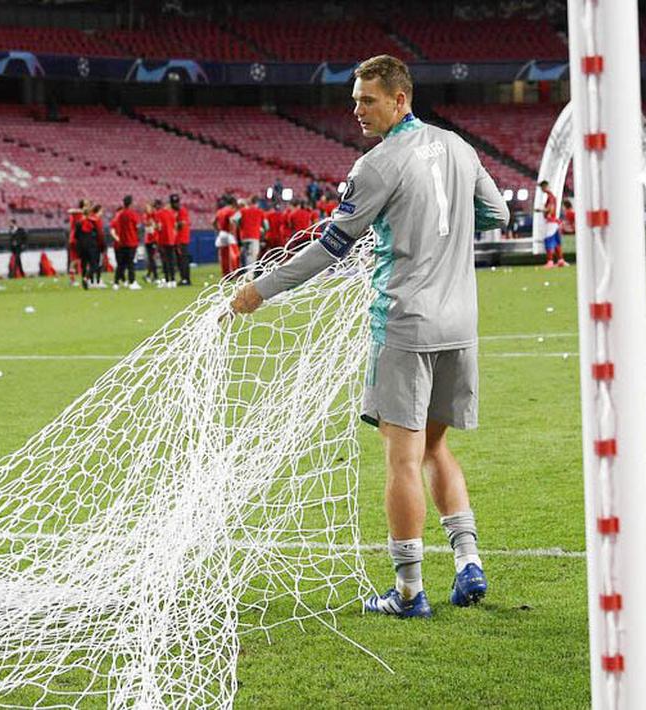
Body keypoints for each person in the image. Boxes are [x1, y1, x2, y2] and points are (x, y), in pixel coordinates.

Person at [229, 55, 508, 619]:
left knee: (402, 460)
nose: (356, 110)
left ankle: (408, 592)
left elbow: (330, 249)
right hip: (460, 325)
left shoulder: (377, 165)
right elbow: (497, 214)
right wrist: (444, 231)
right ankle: (468, 561)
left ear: (400, 100)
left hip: (405, 325)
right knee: (434, 447)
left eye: (367, 100)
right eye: (355, 99)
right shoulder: (459, 146)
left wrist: (261, 289)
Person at [110, 195, 142, 290]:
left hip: (122, 242)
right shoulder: (132, 214)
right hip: (131, 241)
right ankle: (132, 282)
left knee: (121, 264)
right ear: (131, 203)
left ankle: (116, 283)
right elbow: (137, 226)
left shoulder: (120, 214)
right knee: (131, 263)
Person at [231, 196, 266, 272]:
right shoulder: (260, 211)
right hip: (254, 237)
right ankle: (249, 276)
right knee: (252, 258)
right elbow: (266, 226)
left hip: (244, 237)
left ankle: (243, 273)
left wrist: (240, 226)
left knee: (245, 256)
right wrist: (261, 230)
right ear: (257, 203)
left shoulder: (242, 211)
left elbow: (233, 219)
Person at [537, 180, 566, 268]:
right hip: (554, 221)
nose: (541, 189)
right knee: (556, 241)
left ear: (545, 186)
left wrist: (541, 210)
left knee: (548, 240)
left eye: (542, 187)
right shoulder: (551, 196)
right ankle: (561, 260)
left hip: (551, 222)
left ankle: (550, 261)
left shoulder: (550, 197)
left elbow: (550, 209)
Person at [76, 204, 104, 289]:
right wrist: (101, 245)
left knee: (84, 264)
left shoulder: (79, 222)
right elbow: (99, 233)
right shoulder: (93, 221)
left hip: (81, 245)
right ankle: (87, 278)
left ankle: (85, 280)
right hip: (91, 244)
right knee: (94, 264)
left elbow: (76, 235)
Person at [153, 198, 177, 287]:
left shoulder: (158, 214)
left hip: (162, 240)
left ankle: (167, 280)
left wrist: (155, 228)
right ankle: (173, 280)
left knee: (165, 261)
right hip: (171, 240)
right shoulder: (171, 213)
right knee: (171, 260)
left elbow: (159, 226)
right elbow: (174, 227)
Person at [213, 196, 238, 278]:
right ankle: (235, 272)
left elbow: (213, 222)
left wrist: (218, 230)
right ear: (233, 203)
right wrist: (232, 231)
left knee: (224, 256)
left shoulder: (220, 211)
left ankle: (226, 274)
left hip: (221, 233)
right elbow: (231, 221)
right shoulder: (231, 211)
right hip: (228, 233)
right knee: (234, 254)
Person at [171, 194, 191, 286]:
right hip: (180, 239)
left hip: (181, 239)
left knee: (183, 260)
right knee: (180, 260)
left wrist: (173, 224)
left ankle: (185, 279)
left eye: (176, 202)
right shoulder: (178, 211)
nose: (175, 204)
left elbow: (182, 224)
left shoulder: (181, 211)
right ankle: (184, 278)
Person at [142, 201, 161, 284]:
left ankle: (155, 276)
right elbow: (146, 223)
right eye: (146, 208)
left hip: (154, 239)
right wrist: (151, 224)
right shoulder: (145, 215)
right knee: (151, 258)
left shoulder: (155, 214)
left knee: (152, 258)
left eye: (148, 207)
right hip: (148, 240)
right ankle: (149, 275)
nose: (147, 209)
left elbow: (158, 226)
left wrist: (154, 225)